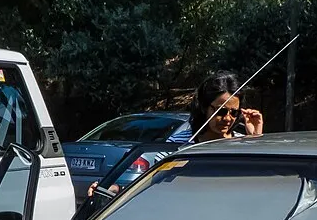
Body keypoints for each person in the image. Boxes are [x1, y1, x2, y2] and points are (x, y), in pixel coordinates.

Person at [86, 70, 264, 201]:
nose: (227, 119)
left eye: (234, 113)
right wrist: (113, 189)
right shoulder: (181, 143)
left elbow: (260, 183)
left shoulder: (242, 144)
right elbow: (150, 177)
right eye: (220, 111)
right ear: (204, 107)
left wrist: (256, 138)